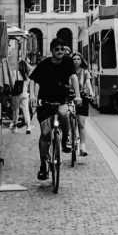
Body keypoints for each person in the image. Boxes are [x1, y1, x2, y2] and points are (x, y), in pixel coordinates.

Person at [30, 40, 75, 180]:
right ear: (52, 51)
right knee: (45, 134)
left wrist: (78, 95)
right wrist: (32, 96)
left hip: (61, 100)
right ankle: (43, 165)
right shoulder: (44, 64)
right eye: (57, 49)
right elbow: (33, 80)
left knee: (64, 114)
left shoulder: (68, 62)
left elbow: (73, 77)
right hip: (45, 103)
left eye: (62, 49)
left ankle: (65, 140)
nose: (60, 51)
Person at [68, 52, 90, 158]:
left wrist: (91, 92)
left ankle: (82, 146)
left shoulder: (85, 72)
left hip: (82, 97)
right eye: (74, 59)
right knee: (67, 120)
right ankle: (69, 138)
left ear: (81, 61)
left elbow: (88, 83)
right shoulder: (67, 71)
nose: (76, 61)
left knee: (81, 123)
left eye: (78, 59)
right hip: (69, 96)